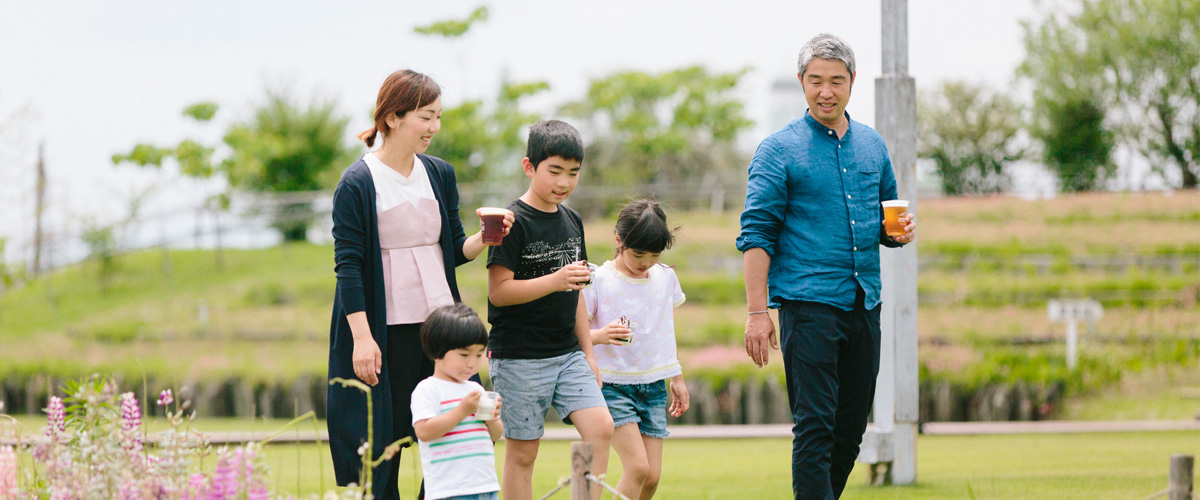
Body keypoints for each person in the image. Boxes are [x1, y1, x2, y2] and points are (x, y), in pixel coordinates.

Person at [736, 34, 917, 500]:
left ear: (852, 82)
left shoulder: (873, 146)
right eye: (816, 80)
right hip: (808, 302)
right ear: (801, 82)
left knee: (851, 428)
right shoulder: (777, 150)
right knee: (815, 426)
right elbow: (757, 234)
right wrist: (758, 312)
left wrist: (896, 232)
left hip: (864, 303)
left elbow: (885, 219)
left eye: (836, 81)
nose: (826, 91)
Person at [327, 69, 513, 500]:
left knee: (453, 422)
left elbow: (451, 248)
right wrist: (362, 338)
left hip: (439, 328)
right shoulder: (357, 182)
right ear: (392, 118)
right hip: (383, 331)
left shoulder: (440, 173)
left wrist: (484, 239)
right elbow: (348, 265)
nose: (434, 128)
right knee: (382, 441)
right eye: (426, 117)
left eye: (438, 117)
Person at [485, 119, 615, 500]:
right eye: (554, 171)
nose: (564, 182)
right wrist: (555, 280)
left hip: (568, 354)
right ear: (530, 167)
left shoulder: (573, 221)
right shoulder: (513, 221)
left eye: (573, 173)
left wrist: (589, 354)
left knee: (601, 428)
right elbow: (499, 292)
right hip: (520, 356)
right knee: (523, 453)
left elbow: (576, 291)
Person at [583, 199, 690, 500]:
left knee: (652, 478)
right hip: (613, 385)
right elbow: (574, 335)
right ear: (618, 240)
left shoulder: (665, 277)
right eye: (638, 253)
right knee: (638, 468)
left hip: (652, 385)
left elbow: (665, 330)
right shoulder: (599, 280)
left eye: (654, 255)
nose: (645, 262)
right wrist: (602, 335)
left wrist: (676, 377)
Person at [411, 304, 504, 500]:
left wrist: (492, 419)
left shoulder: (475, 389)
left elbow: (494, 436)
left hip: (484, 485)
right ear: (437, 352)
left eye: (479, 355)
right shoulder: (428, 390)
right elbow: (424, 432)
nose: (472, 363)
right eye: (464, 355)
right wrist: (463, 410)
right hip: (448, 491)